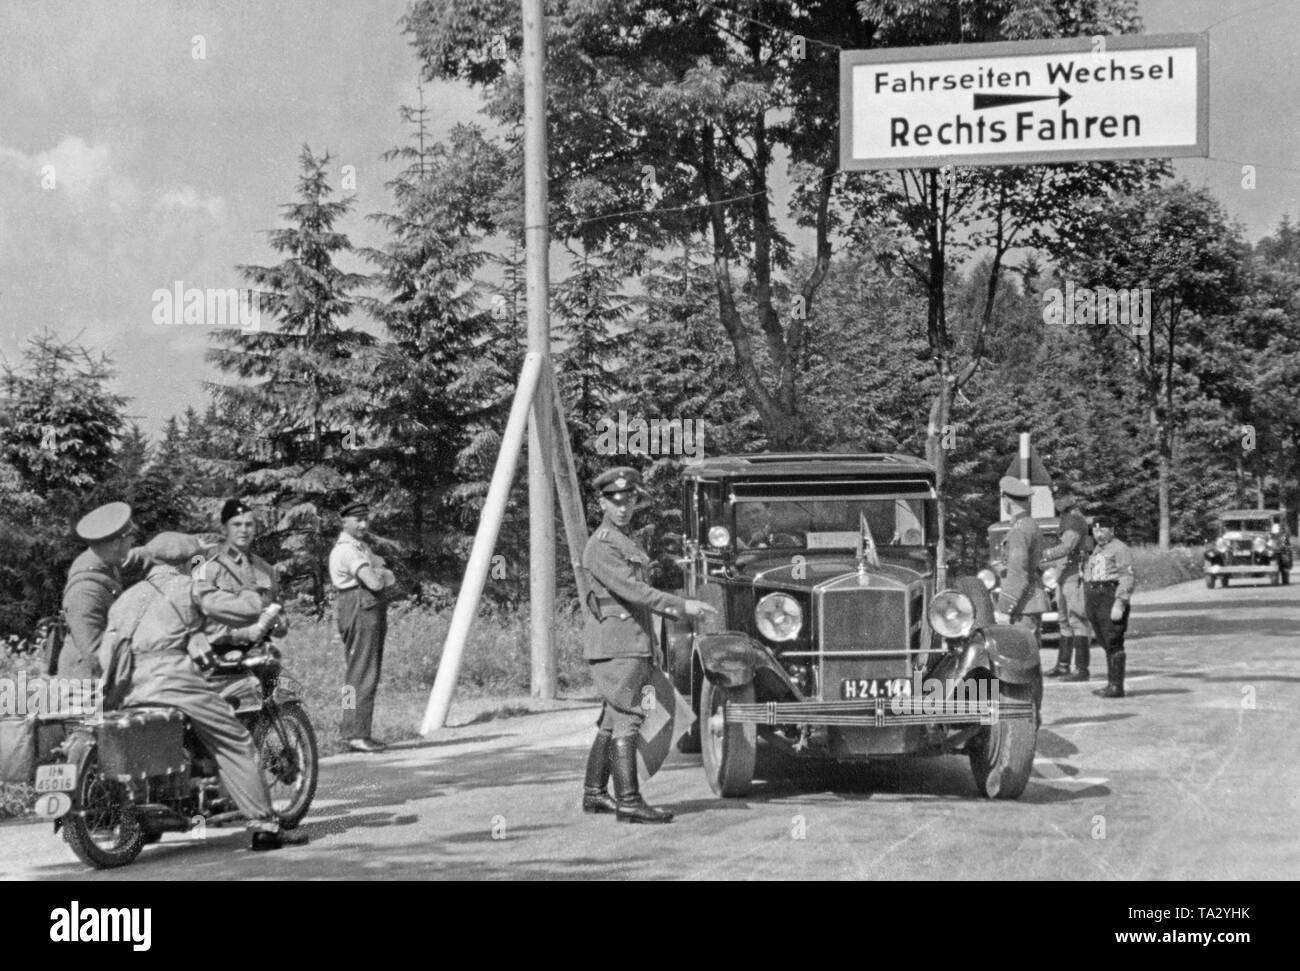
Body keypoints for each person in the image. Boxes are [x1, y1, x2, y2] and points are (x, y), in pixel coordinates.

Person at [101, 532, 306, 850]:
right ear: (186, 561)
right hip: (174, 683)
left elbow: (108, 652)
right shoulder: (188, 587)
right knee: (235, 740)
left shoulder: (127, 598)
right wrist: (255, 596)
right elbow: (240, 613)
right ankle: (265, 828)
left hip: (128, 688)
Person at [581, 466, 715, 824]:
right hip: (616, 647)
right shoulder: (603, 546)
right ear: (601, 503)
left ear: (636, 501)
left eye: (628, 501)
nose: (622, 507)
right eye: (614, 501)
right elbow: (634, 591)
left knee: (612, 720)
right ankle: (629, 801)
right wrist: (680, 605)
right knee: (629, 717)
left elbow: (636, 602)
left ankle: (594, 794)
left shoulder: (626, 541)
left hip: (630, 644)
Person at [328, 500, 396, 753]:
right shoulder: (348, 550)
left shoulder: (361, 547)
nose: (364, 524)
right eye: (358, 520)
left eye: (366, 519)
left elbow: (389, 574)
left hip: (363, 607)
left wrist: (382, 573)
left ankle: (355, 731)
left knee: (359, 673)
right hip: (358, 607)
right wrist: (380, 574)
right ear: (344, 521)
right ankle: (355, 733)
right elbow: (376, 582)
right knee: (361, 674)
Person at [58, 502, 150, 679]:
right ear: (116, 543)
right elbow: (95, 655)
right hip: (85, 688)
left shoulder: (104, 559)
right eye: (130, 538)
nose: (133, 542)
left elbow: (148, 553)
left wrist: (195, 548)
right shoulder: (84, 593)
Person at [193, 499, 287, 651]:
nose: (244, 530)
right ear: (224, 529)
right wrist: (243, 634)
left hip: (259, 649)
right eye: (236, 524)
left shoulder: (265, 568)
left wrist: (275, 624)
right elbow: (199, 616)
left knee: (279, 675)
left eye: (249, 525)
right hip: (220, 650)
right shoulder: (206, 565)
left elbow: (280, 616)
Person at [1081, 513, 1135, 698]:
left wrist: (1120, 603)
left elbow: (1127, 577)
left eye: (1103, 530)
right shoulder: (1097, 549)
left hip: (1109, 596)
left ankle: (1116, 686)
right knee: (1104, 641)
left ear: (1112, 530)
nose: (1099, 534)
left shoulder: (1120, 548)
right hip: (1095, 597)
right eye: (1095, 530)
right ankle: (1111, 683)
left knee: (1113, 640)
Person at [1042, 488, 1094, 679]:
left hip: (1074, 574)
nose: (1057, 501)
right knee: (1063, 620)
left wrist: (1043, 555)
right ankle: (1063, 665)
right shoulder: (1066, 517)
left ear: (1070, 497)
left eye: (1061, 497)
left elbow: (1067, 547)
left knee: (1077, 619)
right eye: (1054, 497)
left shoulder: (1074, 519)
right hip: (1063, 574)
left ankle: (1082, 669)